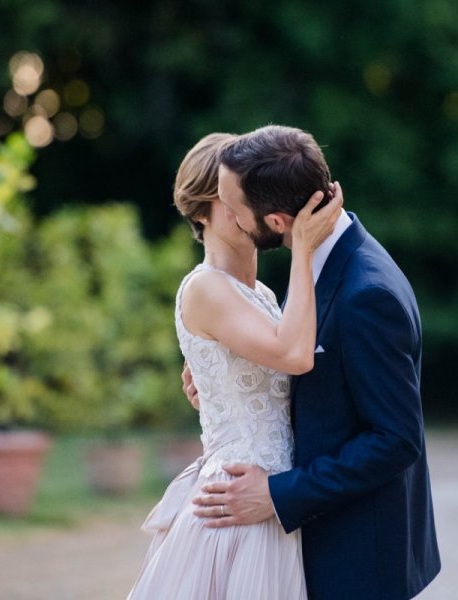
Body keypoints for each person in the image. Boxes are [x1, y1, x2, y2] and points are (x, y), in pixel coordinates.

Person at [187, 125, 441, 599]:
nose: (233, 222)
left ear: (279, 221)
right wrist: (223, 377)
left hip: (356, 559)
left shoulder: (367, 293)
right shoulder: (326, 265)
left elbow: (396, 439)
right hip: (312, 546)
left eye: (237, 212)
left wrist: (278, 494)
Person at [128, 132, 343, 599]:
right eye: (233, 197)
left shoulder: (263, 296)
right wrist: (302, 248)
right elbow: (294, 355)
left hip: (273, 495)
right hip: (236, 503)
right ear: (207, 208)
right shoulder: (205, 287)